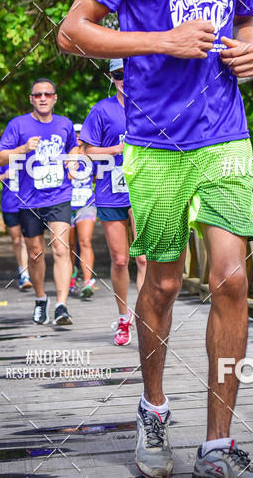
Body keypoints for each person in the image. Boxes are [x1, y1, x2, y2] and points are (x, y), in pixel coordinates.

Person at [58, 0, 253, 478]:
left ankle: (218, 444)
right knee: (166, 281)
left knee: (232, 278)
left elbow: (249, 19)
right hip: (154, 140)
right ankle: (152, 407)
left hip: (224, 134)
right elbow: (72, 32)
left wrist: (250, 50)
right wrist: (161, 40)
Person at [0, 77, 78, 327]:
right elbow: (1, 158)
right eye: (38, 95)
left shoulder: (64, 124)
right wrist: (22, 149)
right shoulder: (18, 124)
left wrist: (72, 161)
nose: (43, 98)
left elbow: (74, 147)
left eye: (47, 94)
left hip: (59, 195)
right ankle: (41, 298)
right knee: (35, 253)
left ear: (55, 98)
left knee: (61, 248)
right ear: (31, 99)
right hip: (29, 199)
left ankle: (62, 305)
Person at [79, 58, 146, 346]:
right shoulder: (101, 110)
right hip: (110, 191)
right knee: (120, 259)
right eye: (118, 74)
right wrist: (117, 148)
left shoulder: (150, 105)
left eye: (129, 72)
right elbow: (88, 151)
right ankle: (123, 317)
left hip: (143, 189)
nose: (124, 79)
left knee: (143, 258)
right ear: (110, 76)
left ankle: (145, 318)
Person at [0, 158, 32, 290]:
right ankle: (22, 270)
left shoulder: (28, 155)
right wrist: (4, 176)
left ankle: (26, 274)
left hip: (28, 203)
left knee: (25, 239)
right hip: (10, 205)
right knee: (17, 240)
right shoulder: (3, 157)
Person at [68, 149, 98, 299]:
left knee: (85, 241)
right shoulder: (61, 155)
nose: (78, 139)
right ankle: (71, 277)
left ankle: (87, 282)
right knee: (69, 245)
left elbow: (97, 177)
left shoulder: (92, 156)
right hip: (66, 204)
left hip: (87, 203)